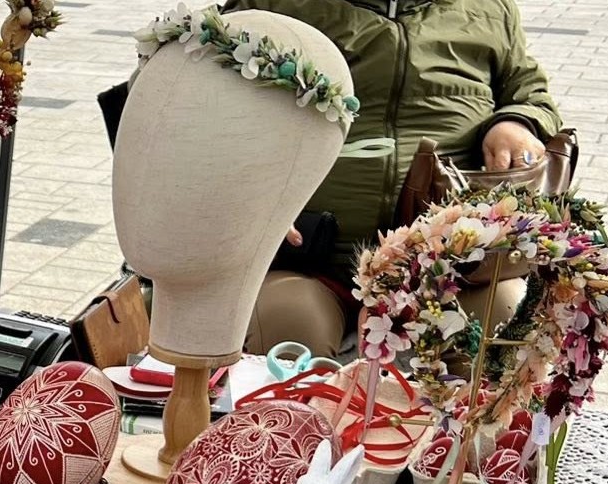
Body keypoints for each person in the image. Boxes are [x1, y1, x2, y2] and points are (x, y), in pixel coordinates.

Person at [225, 0, 564, 355]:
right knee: (287, 327)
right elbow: (206, 89)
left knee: (505, 321)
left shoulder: (489, 8)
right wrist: (253, 192)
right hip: (310, 260)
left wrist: (517, 123)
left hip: (453, 266)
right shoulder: (272, 5)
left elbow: (530, 93)